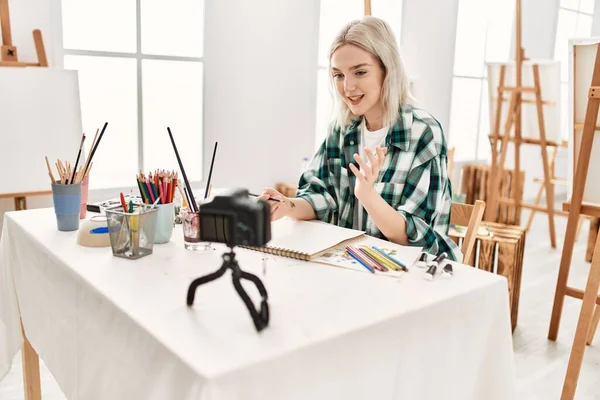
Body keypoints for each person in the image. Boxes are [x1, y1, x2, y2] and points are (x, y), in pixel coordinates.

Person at [259, 16, 460, 261]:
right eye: (338, 75)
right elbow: (321, 195)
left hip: (410, 274)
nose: (348, 86)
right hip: (352, 266)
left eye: (360, 72)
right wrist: (285, 206)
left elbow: (415, 239)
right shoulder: (343, 130)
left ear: (388, 69)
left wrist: (367, 195)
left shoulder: (423, 133)